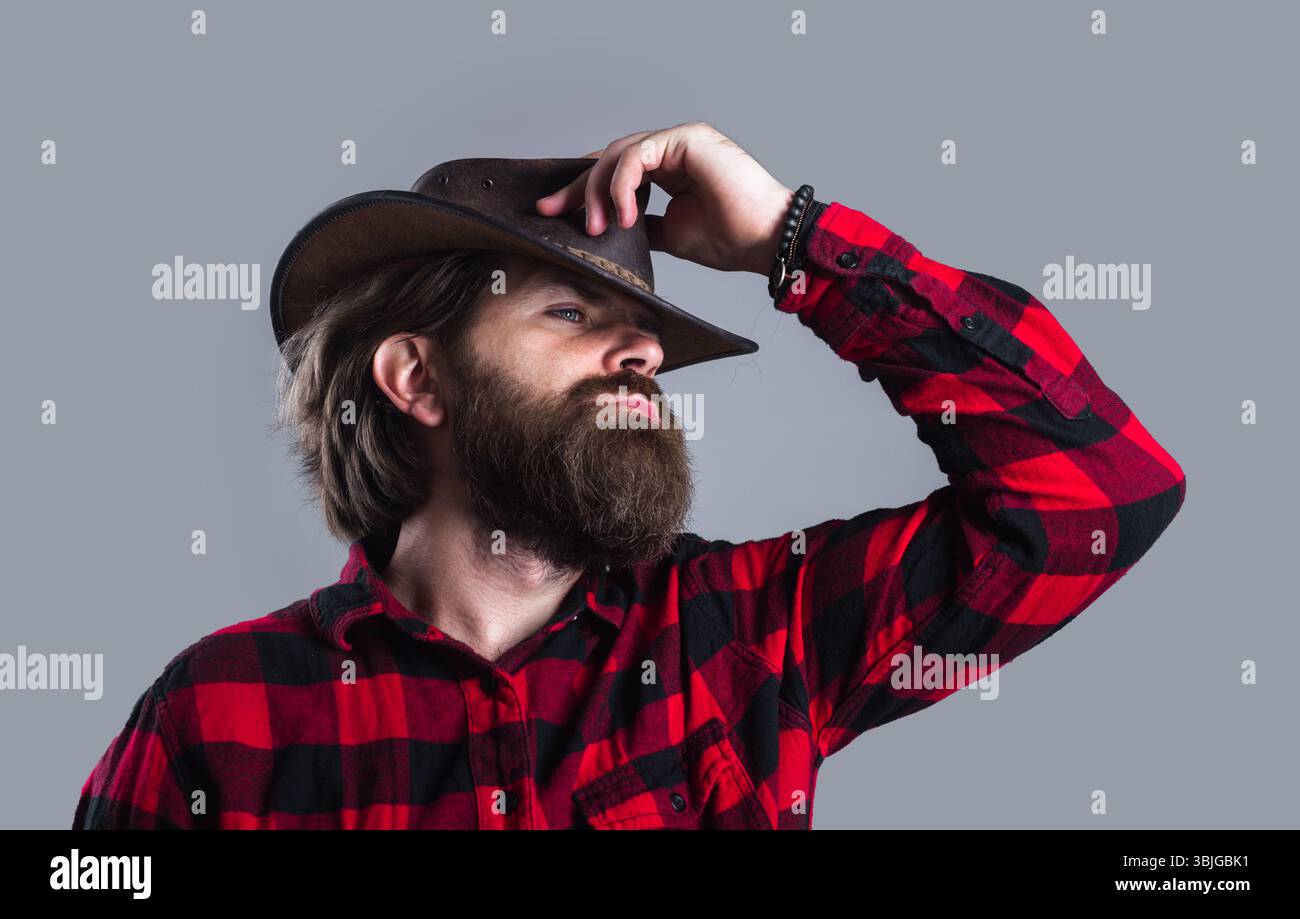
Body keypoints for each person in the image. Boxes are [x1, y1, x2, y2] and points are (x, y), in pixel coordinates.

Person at [73, 121, 1186, 829]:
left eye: (645, 334)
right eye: (570, 313)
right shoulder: (215, 715)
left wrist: (794, 245)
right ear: (416, 376)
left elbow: (1098, 491)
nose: (646, 354)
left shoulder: (749, 635)